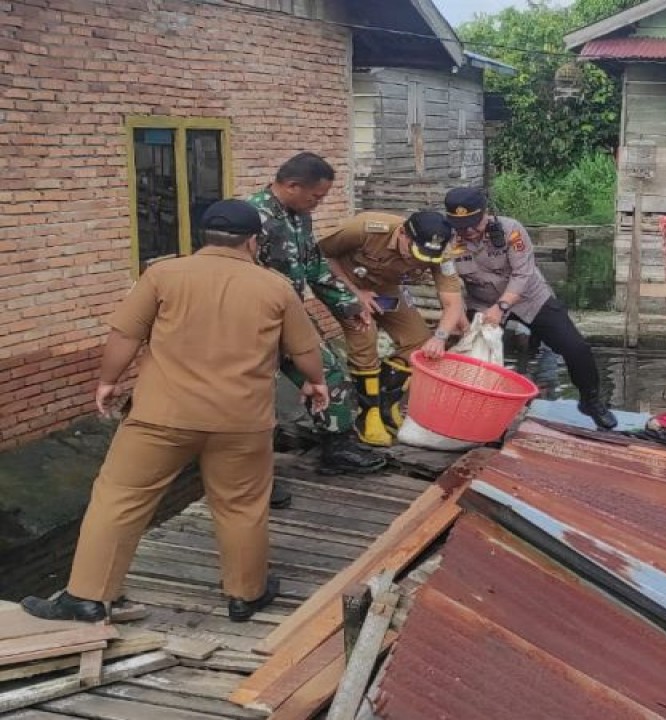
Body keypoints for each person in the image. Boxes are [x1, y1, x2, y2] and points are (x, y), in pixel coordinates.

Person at [21, 200, 328, 623]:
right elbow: (305, 348)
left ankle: (87, 597)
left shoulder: (163, 274)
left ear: (205, 236)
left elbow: (125, 334)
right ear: (253, 241)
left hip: (160, 417)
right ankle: (246, 594)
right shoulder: (275, 287)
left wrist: (108, 381)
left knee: (119, 499)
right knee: (241, 505)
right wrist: (316, 382)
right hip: (241, 421)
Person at [247, 153, 385, 475]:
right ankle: (254, 472)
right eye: (316, 197)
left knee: (328, 373)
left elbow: (315, 268)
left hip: (291, 318)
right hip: (255, 324)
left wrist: (348, 305)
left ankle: (338, 447)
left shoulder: (299, 216)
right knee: (255, 396)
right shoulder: (252, 218)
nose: (318, 204)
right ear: (293, 186)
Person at [441, 186, 617, 430]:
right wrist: (459, 316)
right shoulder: (447, 241)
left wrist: (502, 307)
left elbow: (522, 273)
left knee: (575, 347)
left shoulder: (511, 230)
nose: (469, 231)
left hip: (530, 297)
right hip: (482, 302)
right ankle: (474, 408)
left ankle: (591, 400)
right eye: (462, 226)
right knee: (472, 353)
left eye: (474, 223)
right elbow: (448, 284)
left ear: (486, 213)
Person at [318, 210, 468, 445]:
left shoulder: (441, 253)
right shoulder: (365, 229)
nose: (421, 260)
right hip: (344, 285)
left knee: (419, 342)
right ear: (402, 233)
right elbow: (322, 256)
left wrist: (440, 337)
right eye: (416, 252)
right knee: (365, 336)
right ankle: (367, 414)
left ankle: (386, 406)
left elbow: (452, 302)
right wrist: (355, 293)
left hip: (386, 288)